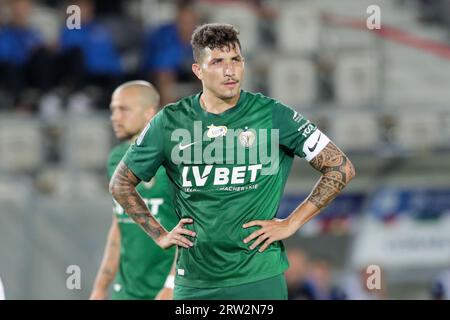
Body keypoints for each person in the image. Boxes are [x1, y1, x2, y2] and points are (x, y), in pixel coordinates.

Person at [109, 23, 355, 300]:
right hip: (195, 282)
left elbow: (340, 166)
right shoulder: (170, 121)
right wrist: (159, 234)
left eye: (235, 59)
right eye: (217, 62)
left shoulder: (272, 115)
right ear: (198, 71)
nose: (230, 70)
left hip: (259, 277)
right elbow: (120, 183)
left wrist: (291, 223)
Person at [90, 81, 178, 300]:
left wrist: (172, 284)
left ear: (149, 112)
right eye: (113, 110)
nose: (115, 117)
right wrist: (100, 287)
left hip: (167, 291)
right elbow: (118, 225)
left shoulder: (175, 159)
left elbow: (192, 227)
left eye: (124, 109)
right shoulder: (116, 159)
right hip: (126, 292)